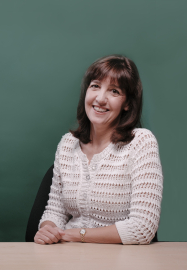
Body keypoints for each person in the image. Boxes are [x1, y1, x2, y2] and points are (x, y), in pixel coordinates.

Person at [34, 55, 163, 245]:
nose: (100, 99)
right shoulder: (67, 144)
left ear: (127, 103)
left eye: (114, 91)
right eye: (95, 86)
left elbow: (143, 228)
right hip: (68, 255)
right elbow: (55, 209)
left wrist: (75, 235)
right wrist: (47, 230)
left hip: (121, 260)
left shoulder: (141, 143)